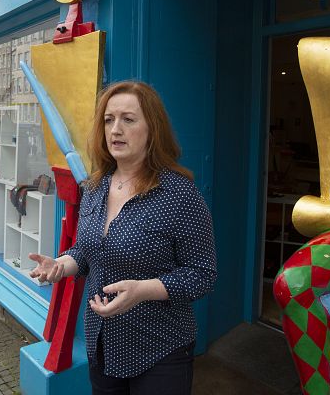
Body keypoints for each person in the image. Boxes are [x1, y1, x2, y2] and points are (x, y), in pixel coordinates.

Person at [28, 81, 217, 395]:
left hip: (159, 349)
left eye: (128, 119)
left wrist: (143, 290)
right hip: (102, 343)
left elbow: (203, 275)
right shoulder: (94, 187)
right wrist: (62, 264)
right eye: (109, 120)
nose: (116, 129)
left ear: (152, 129)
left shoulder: (179, 195)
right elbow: (88, 252)